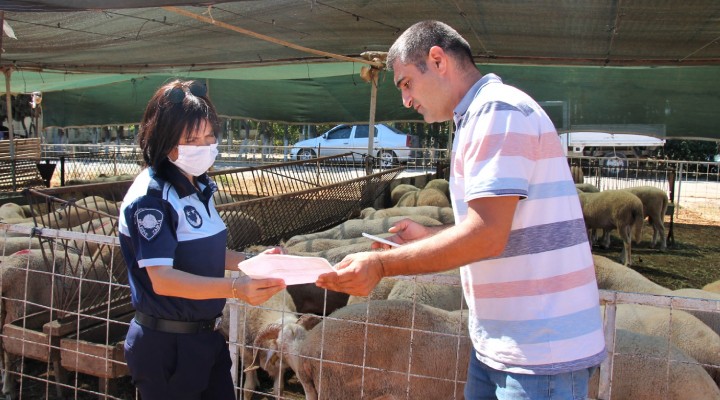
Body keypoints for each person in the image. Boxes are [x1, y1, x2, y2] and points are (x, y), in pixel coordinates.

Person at [317, 21, 605, 399]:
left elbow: (487, 236)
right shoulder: (477, 118)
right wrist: (428, 239)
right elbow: (493, 227)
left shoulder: (498, 112)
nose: (405, 100)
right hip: (502, 345)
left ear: (437, 60)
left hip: (538, 352)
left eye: (406, 84)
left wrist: (384, 266)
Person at [118, 80, 286, 400]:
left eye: (209, 136)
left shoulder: (198, 187)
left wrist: (254, 261)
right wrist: (235, 288)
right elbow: (162, 279)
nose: (204, 146)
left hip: (206, 337)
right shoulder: (151, 198)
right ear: (165, 140)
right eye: (191, 139)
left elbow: (202, 252)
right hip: (166, 345)